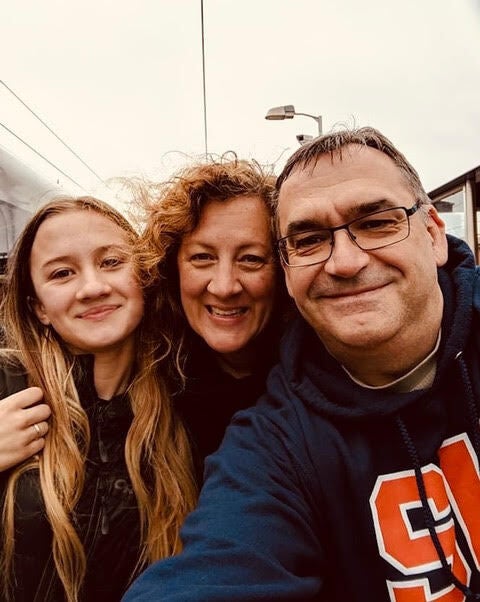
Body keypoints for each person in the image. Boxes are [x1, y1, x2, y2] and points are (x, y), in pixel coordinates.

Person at [123, 127, 480, 602]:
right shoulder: (270, 439)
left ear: (435, 234)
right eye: (310, 238)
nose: (346, 261)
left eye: (377, 222)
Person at [0, 196, 197, 602]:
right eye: (62, 273)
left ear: (142, 276)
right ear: (38, 307)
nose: (92, 288)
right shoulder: (6, 385)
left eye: (111, 262)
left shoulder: (188, 394)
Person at [132, 157, 290, 473]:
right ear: (170, 268)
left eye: (251, 259)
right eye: (202, 257)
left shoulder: (326, 378)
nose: (224, 286)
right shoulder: (144, 387)